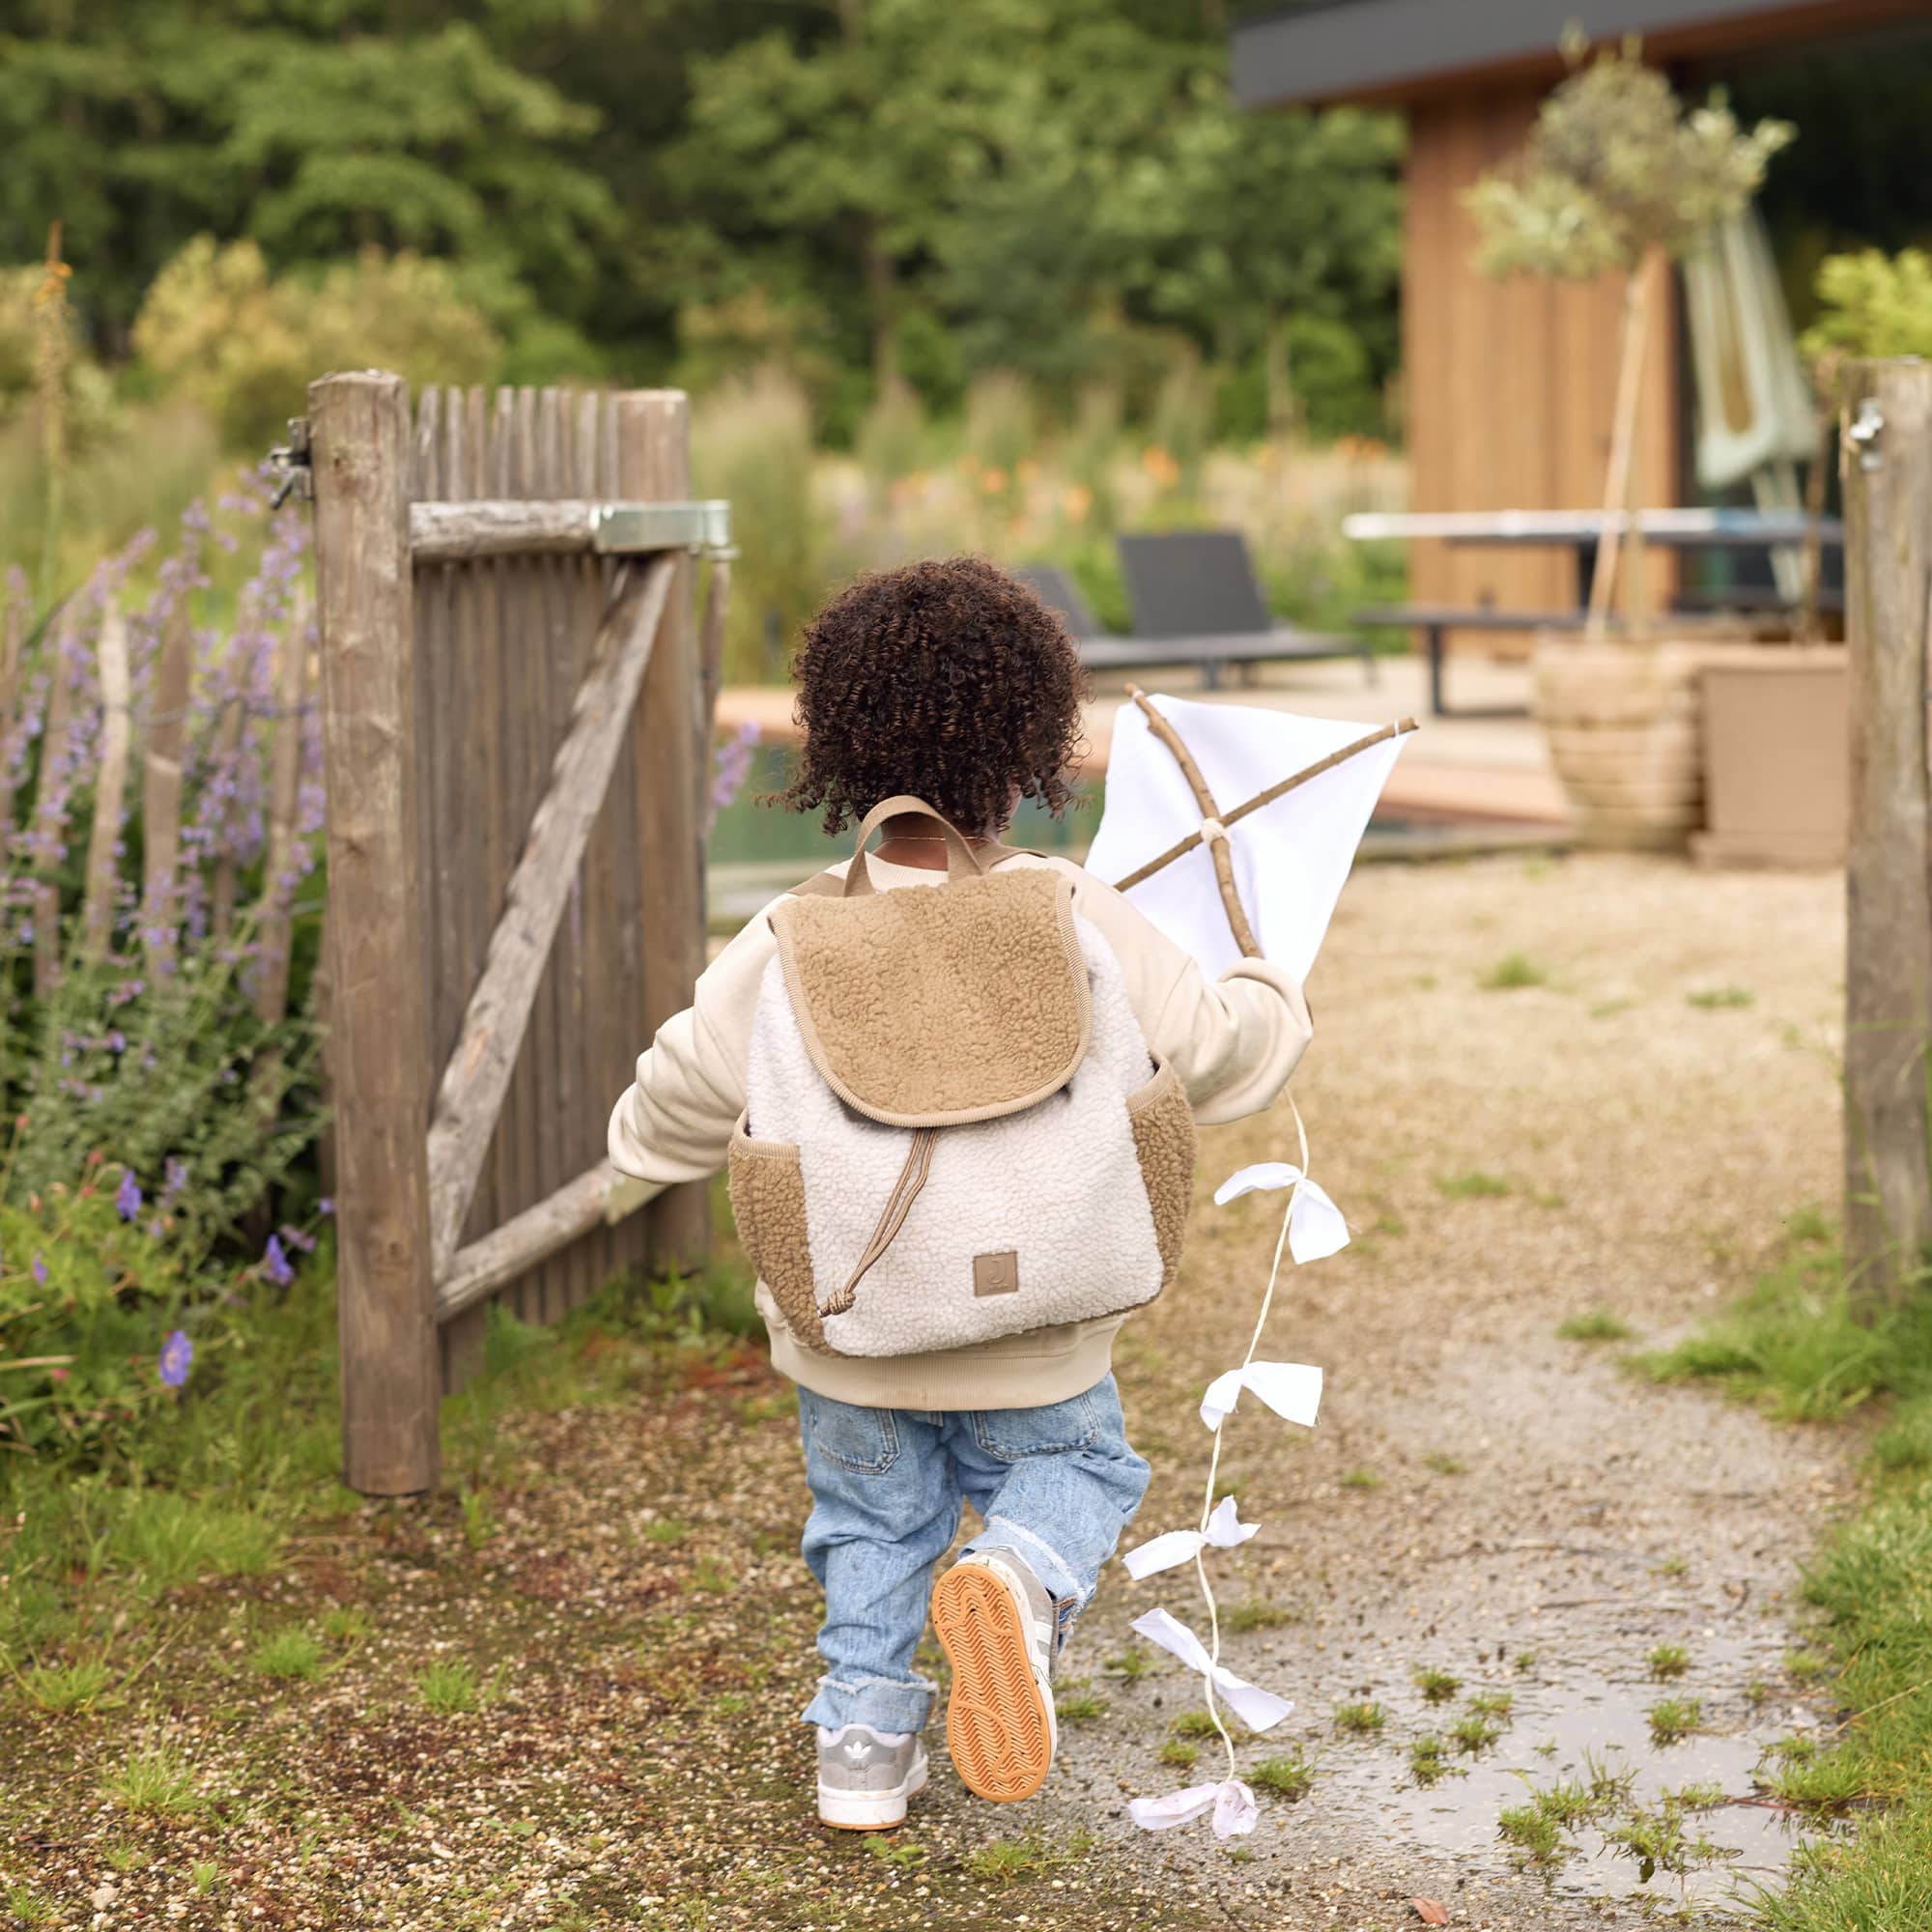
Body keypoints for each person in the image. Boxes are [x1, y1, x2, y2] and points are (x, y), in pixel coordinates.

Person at [608, 555, 1311, 1831]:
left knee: (869, 1533)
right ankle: (1018, 1576)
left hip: (858, 1337)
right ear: (1028, 749)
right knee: (1082, 1473)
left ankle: (864, 1749)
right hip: (1044, 1334)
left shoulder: (789, 938)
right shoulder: (1075, 912)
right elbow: (1217, 1055)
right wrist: (1275, 993)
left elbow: (684, 1086)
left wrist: (630, 1155)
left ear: (841, 748)